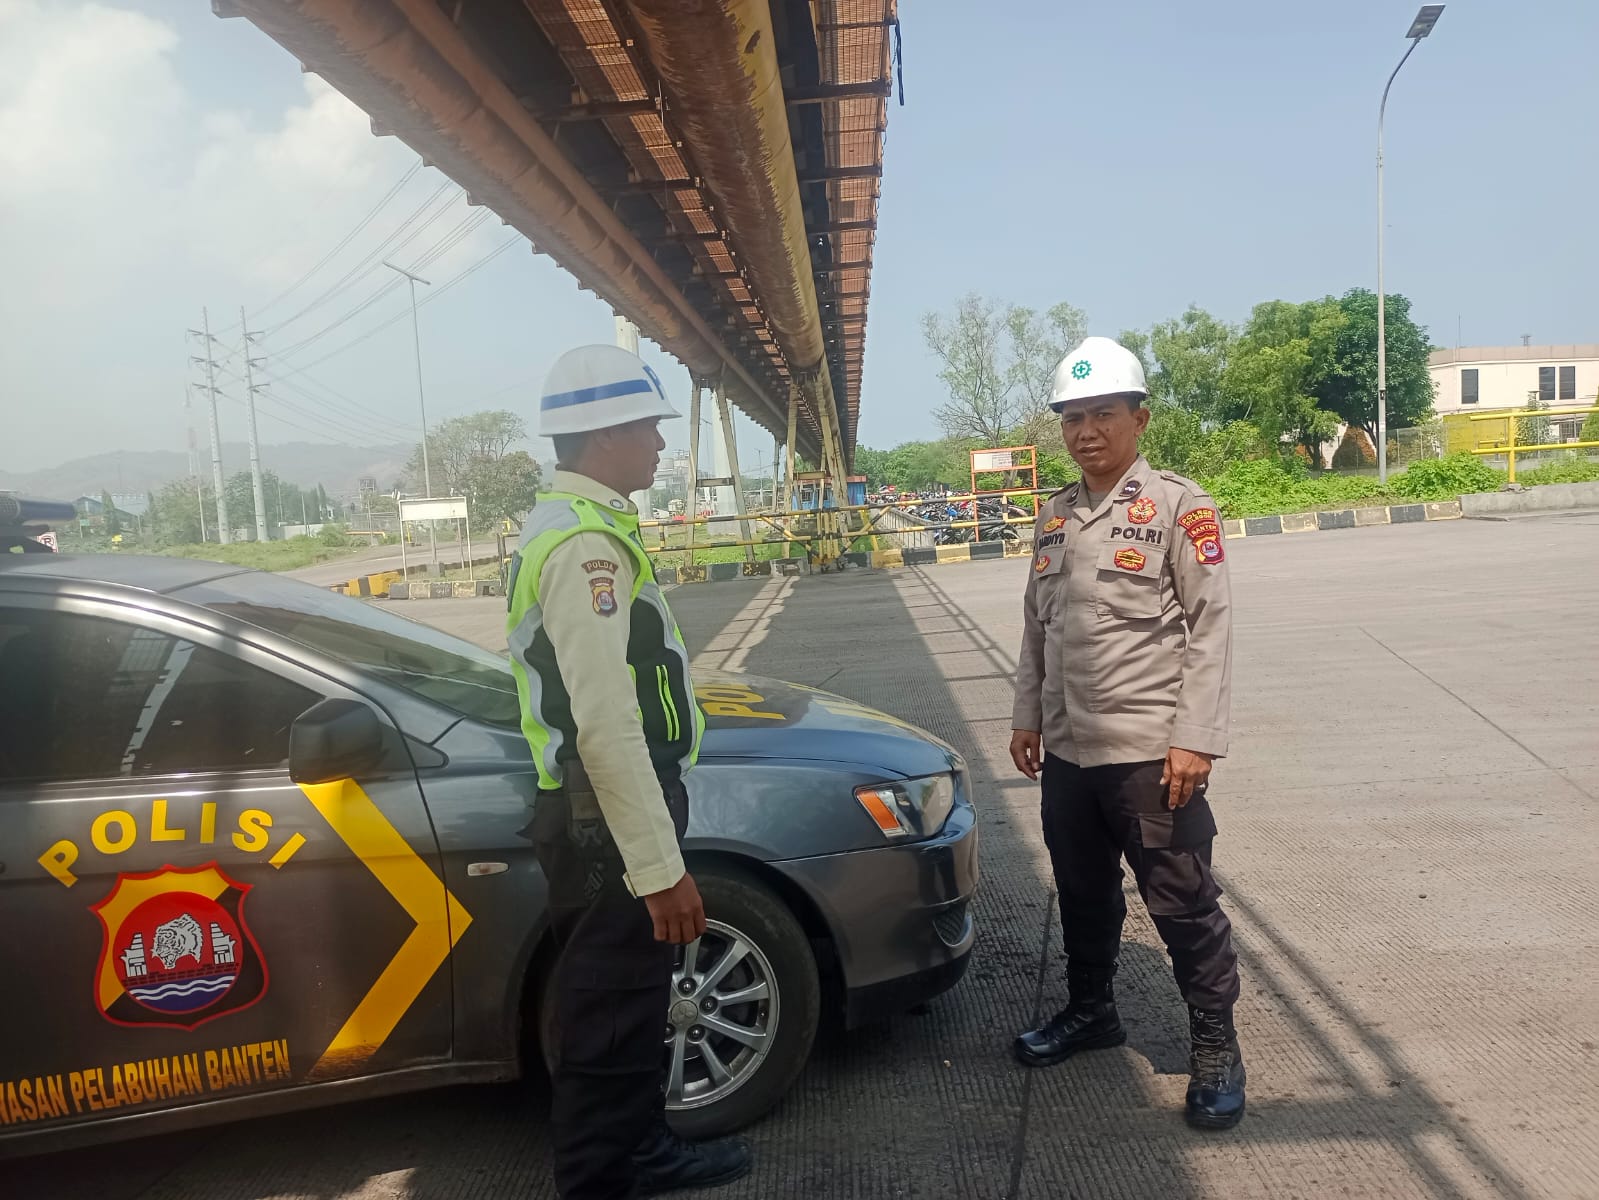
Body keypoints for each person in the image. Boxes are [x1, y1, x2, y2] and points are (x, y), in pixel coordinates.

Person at [508, 345, 753, 1196]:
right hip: (604, 815)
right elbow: (606, 724)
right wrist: (657, 870)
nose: (658, 442)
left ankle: (641, 1148)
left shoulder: (577, 525)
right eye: (648, 426)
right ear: (605, 433)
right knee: (610, 1006)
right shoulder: (585, 545)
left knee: (630, 995)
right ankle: (599, 1177)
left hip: (598, 810)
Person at [1009, 336, 1247, 1130]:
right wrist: (1025, 714)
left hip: (1150, 754)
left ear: (1138, 419)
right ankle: (1091, 1011)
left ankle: (1214, 1046)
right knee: (1081, 892)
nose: (1085, 431)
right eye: (1071, 417)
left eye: (1102, 413)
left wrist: (1195, 737)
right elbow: (1035, 627)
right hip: (1068, 752)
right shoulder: (1053, 515)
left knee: (1182, 903)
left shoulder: (1179, 506)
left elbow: (1210, 625)